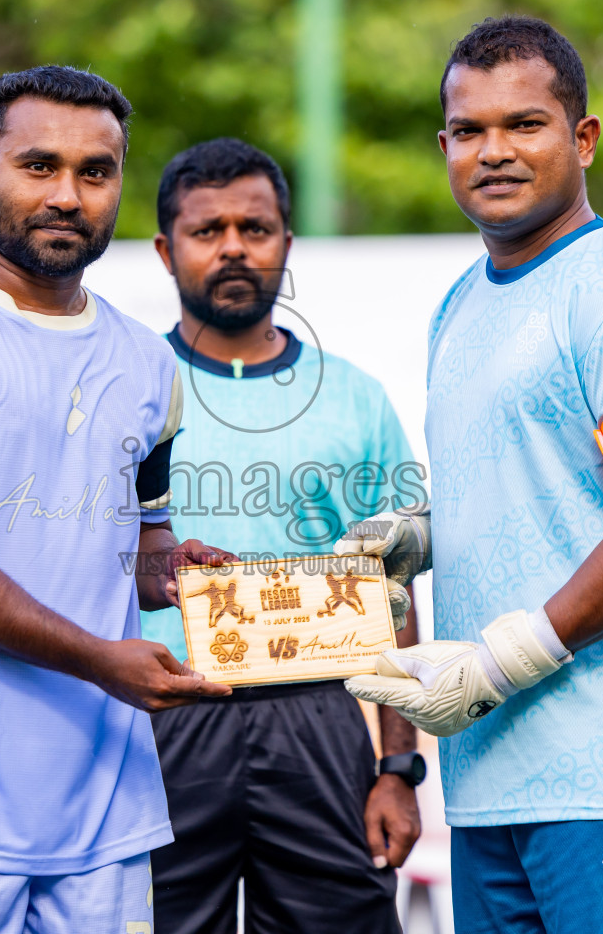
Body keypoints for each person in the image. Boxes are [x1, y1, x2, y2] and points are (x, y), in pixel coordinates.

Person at [342, 15, 603, 933]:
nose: (495, 151)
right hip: (488, 787)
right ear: (444, 147)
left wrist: (504, 660)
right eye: (470, 131)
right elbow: (543, 489)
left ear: (582, 138)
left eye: (526, 124)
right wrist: (422, 537)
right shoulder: (460, 303)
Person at [0, 66, 236, 934]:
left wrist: (178, 574)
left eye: (94, 173)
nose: (67, 194)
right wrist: (104, 659)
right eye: (39, 167)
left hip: (103, 811)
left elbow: (136, 548)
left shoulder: (150, 364)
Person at [140, 138, 423, 934]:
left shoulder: (356, 399)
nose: (233, 246)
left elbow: (395, 586)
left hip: (318, 723)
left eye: (255, 228)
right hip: (162, 722)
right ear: (167, 250)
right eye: (207, 230)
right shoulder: (123, 384)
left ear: (286, 245)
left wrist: (397, 767)